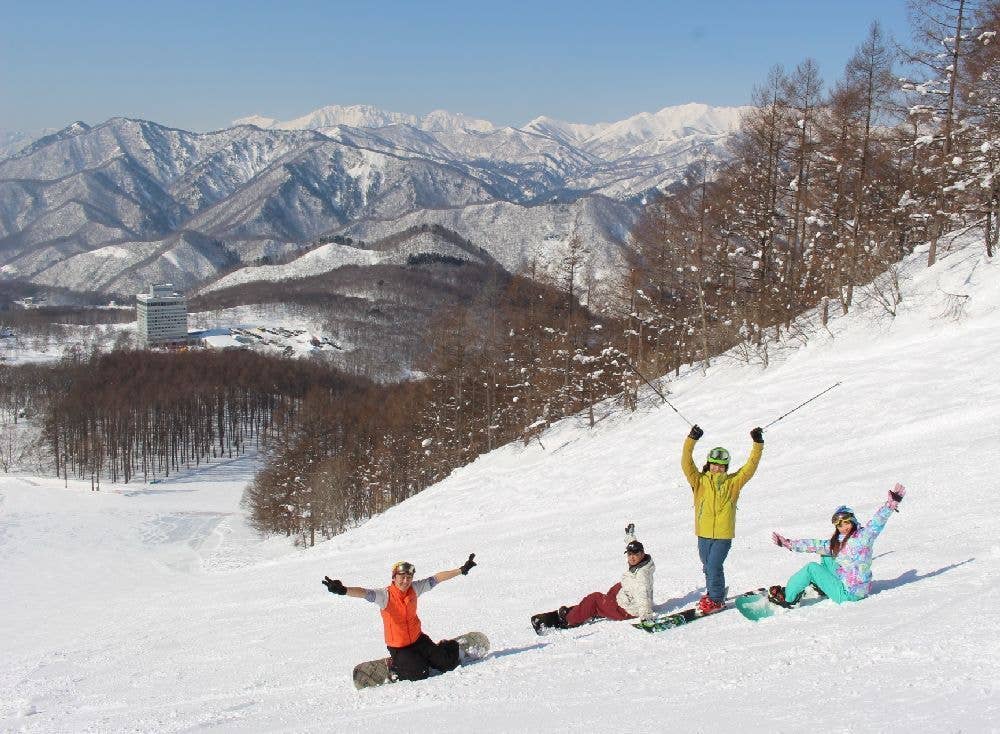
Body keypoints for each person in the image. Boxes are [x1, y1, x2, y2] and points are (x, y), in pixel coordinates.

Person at [322, 553, 477, 681]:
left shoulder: (415, 588)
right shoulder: (385, 595)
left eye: (408, 577)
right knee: (419, 673)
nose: (405, 580)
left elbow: (437, 578)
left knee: (447, 664)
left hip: (419, 640)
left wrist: (461, 569)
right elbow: (363, 592)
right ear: (394, 577)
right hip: (399, 647)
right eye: (401, 577)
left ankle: (442, 649)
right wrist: (343, 590)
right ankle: (393, 665)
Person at [768, 483, 906, 606]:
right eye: (838, 524)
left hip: (849, 594)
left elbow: (876, 523)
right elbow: (815, 545)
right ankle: (822, 586)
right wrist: (788, 544)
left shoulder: (864, 537)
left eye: (846, 522)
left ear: (852, 521)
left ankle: (788, 599)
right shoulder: (838, 542)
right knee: (825, 555)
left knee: (811, 568)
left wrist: (890, 505)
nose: (843, 527)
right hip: (853, 586)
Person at [681, 424, 764, 614]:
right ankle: (712, 593)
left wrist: (757, 443)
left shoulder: (733, 483)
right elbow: (686, 462)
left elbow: (750, 467)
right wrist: (691, 439)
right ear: (709, 464)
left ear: (726, 467)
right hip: (703, 533)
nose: (717, 468)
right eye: (714, 464)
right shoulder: (699, 481)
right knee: (707, 566)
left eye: (721, 466)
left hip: (723, 535)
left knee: (714, 565)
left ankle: (717, 600)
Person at [531, 523, 654, 632]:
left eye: (635, 554)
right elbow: (633, 546)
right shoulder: (644, 562)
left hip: (627, 610)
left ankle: (569, 619)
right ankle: (595, 609)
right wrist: (630, 536)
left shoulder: (641, 577)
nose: (632, 558)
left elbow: (643, 595)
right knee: (616, 588)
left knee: (594, 598)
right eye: (629, 554)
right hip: (628, 599)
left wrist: (646, 616)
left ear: (642, 554)